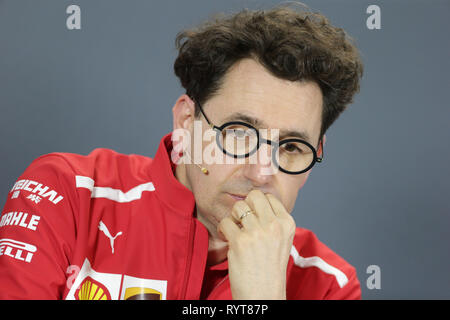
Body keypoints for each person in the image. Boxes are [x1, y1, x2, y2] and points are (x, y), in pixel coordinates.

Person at [0, 4, 363, 300]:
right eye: (238, 133)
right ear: (186, 123)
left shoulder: (330, 285)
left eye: (292, 147)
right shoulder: (67, 194)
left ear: (315, 155)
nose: (261, 172)